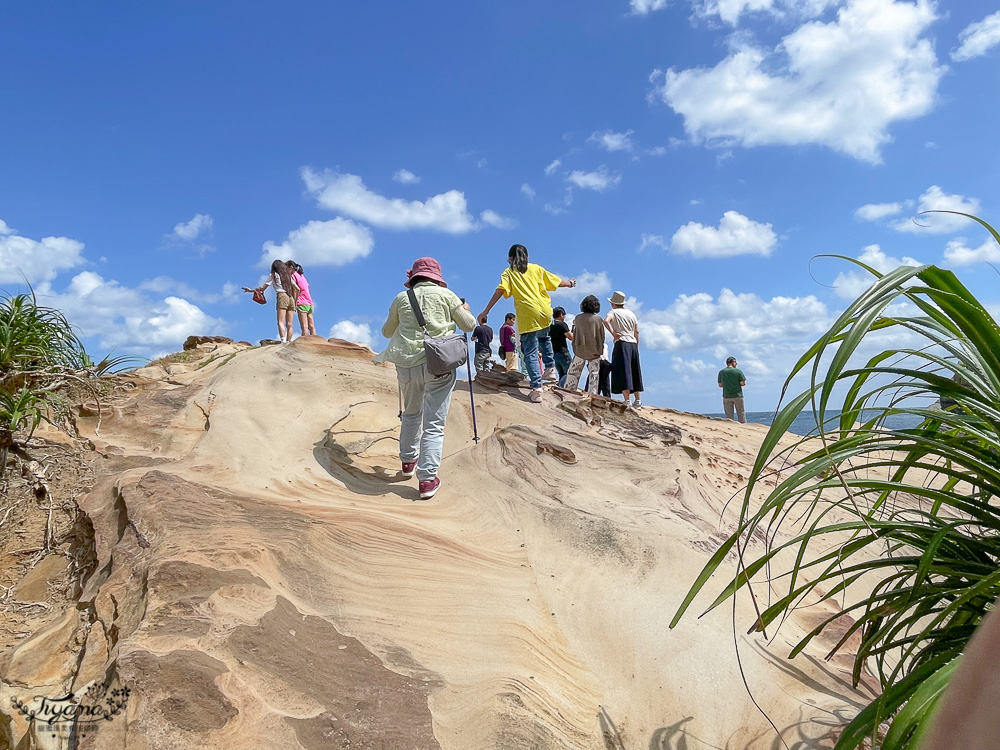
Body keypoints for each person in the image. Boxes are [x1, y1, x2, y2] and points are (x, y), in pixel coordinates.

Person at [374, 257, 476, 500]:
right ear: (436, 277)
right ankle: (427, 480)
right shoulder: (448, 296)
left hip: (407, 364)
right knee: (433, 423)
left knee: (410, 414)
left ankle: (408, 462)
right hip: (438, 363)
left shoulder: (401, 298)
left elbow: (387, 332)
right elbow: (469, 325)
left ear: (414, 278)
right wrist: (465, 310)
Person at [478, 244, 576, 403]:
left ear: (510, 259)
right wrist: (571, 283)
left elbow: (501, 290)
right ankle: (550, 368)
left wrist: (486, 311)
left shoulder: (509, 272)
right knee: (544, 339)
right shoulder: (536, 268)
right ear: (527, 257)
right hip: (545, 311)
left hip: (527, 313)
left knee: (530, 351)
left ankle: (536, 388)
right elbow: (557, 282)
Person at [243, 259, 299, 343]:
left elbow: (262, 288)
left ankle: (283, 341)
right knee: (290, 324)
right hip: (290, 297)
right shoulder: (287, 275)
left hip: (282, 295)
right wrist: (295, 301)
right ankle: (289, 341)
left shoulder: (273, 275)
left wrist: (250, 290)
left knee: (280, 321)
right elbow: (297, 289)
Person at [604, 290, 643, 409]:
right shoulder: (631, 314)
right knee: (634, 370)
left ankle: (627, 400)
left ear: (613, 303)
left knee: (624, 370)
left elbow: (606, 321)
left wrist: (613, 333)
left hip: (622, 342)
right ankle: (638, 401)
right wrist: (636, 346)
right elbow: (636, 331)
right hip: (633, 343)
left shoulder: (613, 312)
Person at [564, 296, 604, 394]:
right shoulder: (598, 319)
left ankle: (569, 390)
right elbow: (601, 335)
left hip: (580, 348)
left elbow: (575, 331)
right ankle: (592, 394)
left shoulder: (578, 318)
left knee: (574, 372)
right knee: (594, 374)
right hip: (594, 349)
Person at [288, 260, 317, 337]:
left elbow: (295, 290)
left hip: (301, 301)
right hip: (309, 302)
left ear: (291, 267)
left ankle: (305, 343)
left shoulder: (292, 276)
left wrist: (294, 302)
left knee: (304, 326)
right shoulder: (301, 275)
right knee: (312, 326)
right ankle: (315, 340)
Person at [718, 356, 747, 423]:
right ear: (732, 362)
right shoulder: (738, 371)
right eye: (735, 362)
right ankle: (743, 428)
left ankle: (730, 428)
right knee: (741, 414)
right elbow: (743, 383)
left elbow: (720, 385)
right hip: (737, 395)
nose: (736, 364)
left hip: (726, 396)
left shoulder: (721, 372)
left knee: (729, 416)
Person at [549, 307, 573, 387]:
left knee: (561, 374)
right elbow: (570, 337)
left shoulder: (550, 325)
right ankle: (559, 385)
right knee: (570, 372)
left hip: (554, 352)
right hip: (563, 352)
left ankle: (560, 387)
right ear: (561, 315)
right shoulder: (562, 324)